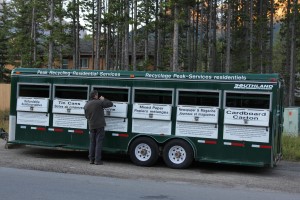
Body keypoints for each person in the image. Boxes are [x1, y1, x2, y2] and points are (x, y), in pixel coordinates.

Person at [84, 90, 113, 165]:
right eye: (97, 95)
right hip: (99, 126)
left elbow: (86, 116)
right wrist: (104, 99)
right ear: (95, 96)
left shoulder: (86, 105)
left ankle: (91, 159)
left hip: (91, 125)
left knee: (92, 143)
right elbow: (110, 104)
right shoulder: (99, 102)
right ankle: (97, 160)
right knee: (98, 143)